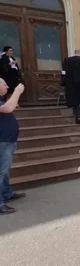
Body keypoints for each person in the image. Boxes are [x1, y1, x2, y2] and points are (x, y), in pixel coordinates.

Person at [0, 79, 26, 215]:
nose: (7, 86)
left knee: (4, 171)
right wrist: (16, 92)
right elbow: (8, 108)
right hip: (2, 141)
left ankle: (6, 193)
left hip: (7, 141)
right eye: (4, 84)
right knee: (1, 172)